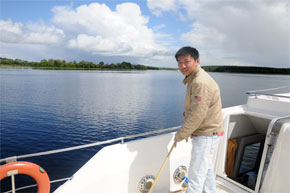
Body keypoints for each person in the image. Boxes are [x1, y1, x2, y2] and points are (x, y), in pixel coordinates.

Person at [174, 46, 223, 193]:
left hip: (206, 134)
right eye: (179, 62)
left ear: (197, 61)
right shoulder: (194, 78)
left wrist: (180, 135)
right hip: (210, 133)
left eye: (186, 62)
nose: (182, 66)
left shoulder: (200, 82)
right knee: (206, 169)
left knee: (195, 177)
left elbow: (197, 115)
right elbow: (197, 108)